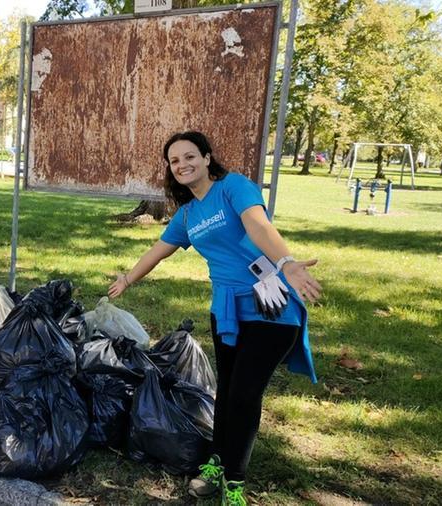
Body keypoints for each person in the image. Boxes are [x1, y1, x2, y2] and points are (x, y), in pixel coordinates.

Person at [108, 131, 322, 505]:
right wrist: (127, 279)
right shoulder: (188, 214)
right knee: (227, 392)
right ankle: (216, 462)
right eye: (175, 161)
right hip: (227, 311)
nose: (183, 165)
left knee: (244, 395)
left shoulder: (233, 187)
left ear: (207, 158)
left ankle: (234, 482)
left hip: (270, 305)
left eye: (190, 156)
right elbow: (158, 251)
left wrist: (287, 262)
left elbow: (258, 225)